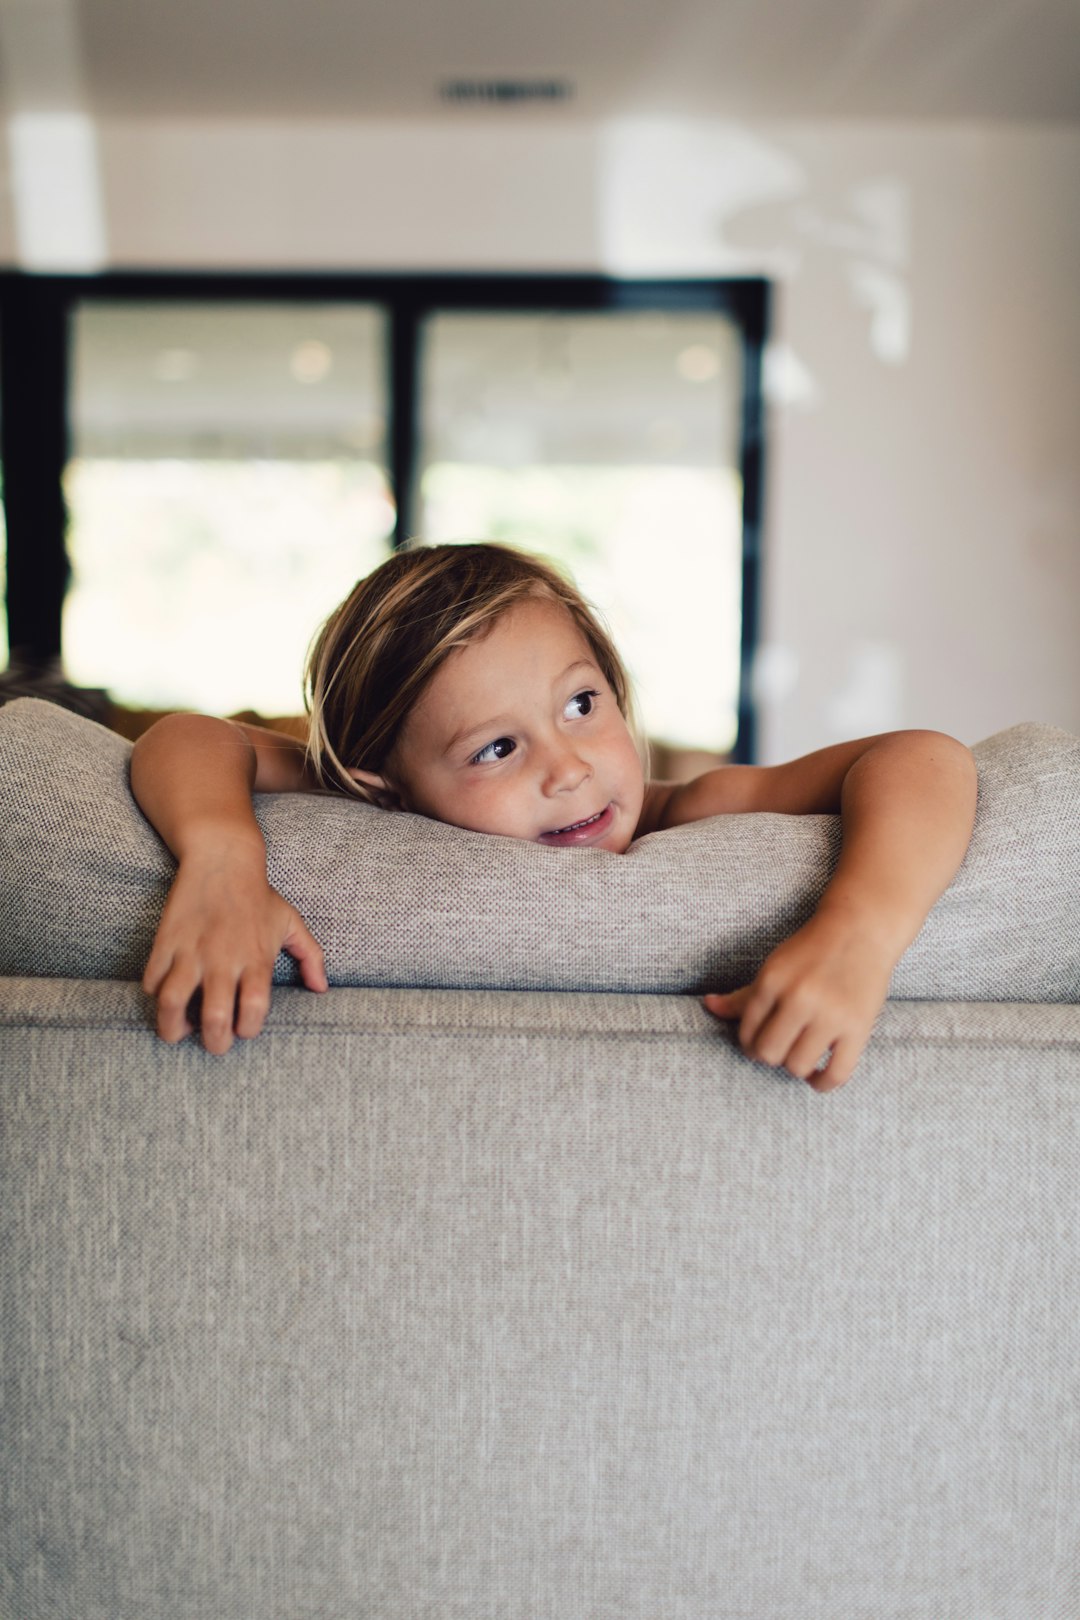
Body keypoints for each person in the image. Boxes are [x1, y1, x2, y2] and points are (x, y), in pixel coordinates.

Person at [130, 541, 978, 1090]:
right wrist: (222, 861)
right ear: (383, 790)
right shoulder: (371, 799)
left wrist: (858, 936)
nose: (568, 767)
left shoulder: (698, 810)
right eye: (497, 748)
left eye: (580, 703)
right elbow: (189, 739)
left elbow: (925, 758)